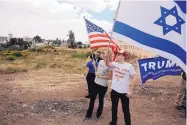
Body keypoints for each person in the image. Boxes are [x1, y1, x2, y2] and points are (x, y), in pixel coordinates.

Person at [106, 50, 136, 125]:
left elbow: (134, 78)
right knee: (114, 107)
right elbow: (107, 64)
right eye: (117, 55)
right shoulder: (114, 64)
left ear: (123, 56)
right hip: (114, 90)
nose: (117, 56)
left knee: (125, 109)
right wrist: (107, 58)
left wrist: (130, 91)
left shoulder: (129, 66)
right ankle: (114, 121)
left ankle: (128, 123)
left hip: (124, 92)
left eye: (119, 55)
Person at [84, 49, 109, 120]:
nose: (104, 55)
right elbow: (97, 70)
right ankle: (88, 115)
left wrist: (100, 76)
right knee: (92, 99)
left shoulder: (110, 64)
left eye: (105, 54)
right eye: (103, 53)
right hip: (96, 83)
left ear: (108, 55)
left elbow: (109, 77)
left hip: (103, 85)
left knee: (101, 100)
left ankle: (98, 115)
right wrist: (95, 66)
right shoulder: (100, 61)